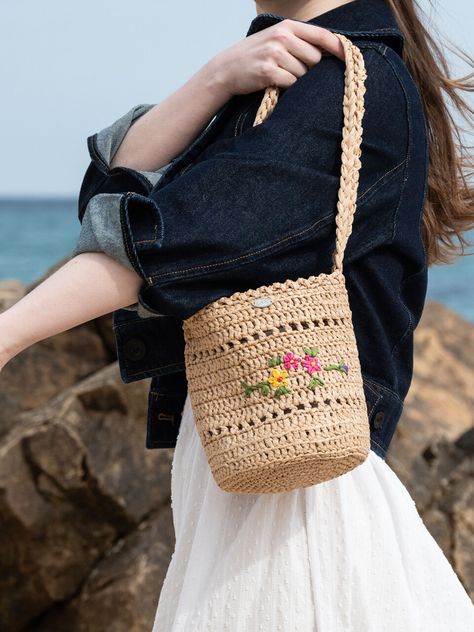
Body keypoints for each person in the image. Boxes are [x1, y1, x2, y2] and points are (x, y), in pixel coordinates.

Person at [1, 0, 474, 629]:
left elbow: (164, 240)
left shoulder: (340, 81)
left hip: (300, 496)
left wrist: (7, 336)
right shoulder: (287, 74)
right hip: (254, 470)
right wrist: (214, 79)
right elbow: (115, 192)